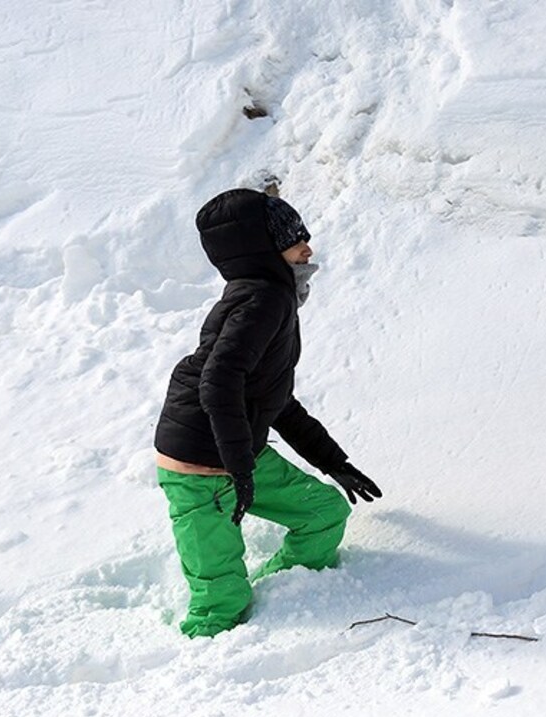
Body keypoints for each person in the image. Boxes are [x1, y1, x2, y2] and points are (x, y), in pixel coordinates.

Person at [154, 188, 382, 638]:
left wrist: (332, 461)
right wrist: (239, 471)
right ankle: (195, 674)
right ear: (262, 250)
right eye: (293, 238)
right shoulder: (263, 301)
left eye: (304, 234)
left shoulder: (270, 299)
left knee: (324, 514)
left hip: (239, 450)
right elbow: (217, 384)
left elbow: (273, 399)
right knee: (221, 602)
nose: (307, 245)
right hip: (199, 465)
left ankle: (282, 591)